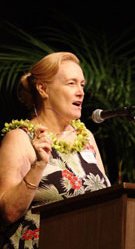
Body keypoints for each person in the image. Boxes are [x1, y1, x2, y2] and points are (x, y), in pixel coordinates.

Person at [0, 52, 111, 248]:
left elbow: (108, 200)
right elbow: (8, 212)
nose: (80, 92)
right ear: (43, 89)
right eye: (71, 83)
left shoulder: (87, 139)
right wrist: (38, 166)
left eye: (82, 84)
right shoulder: (20, 139)